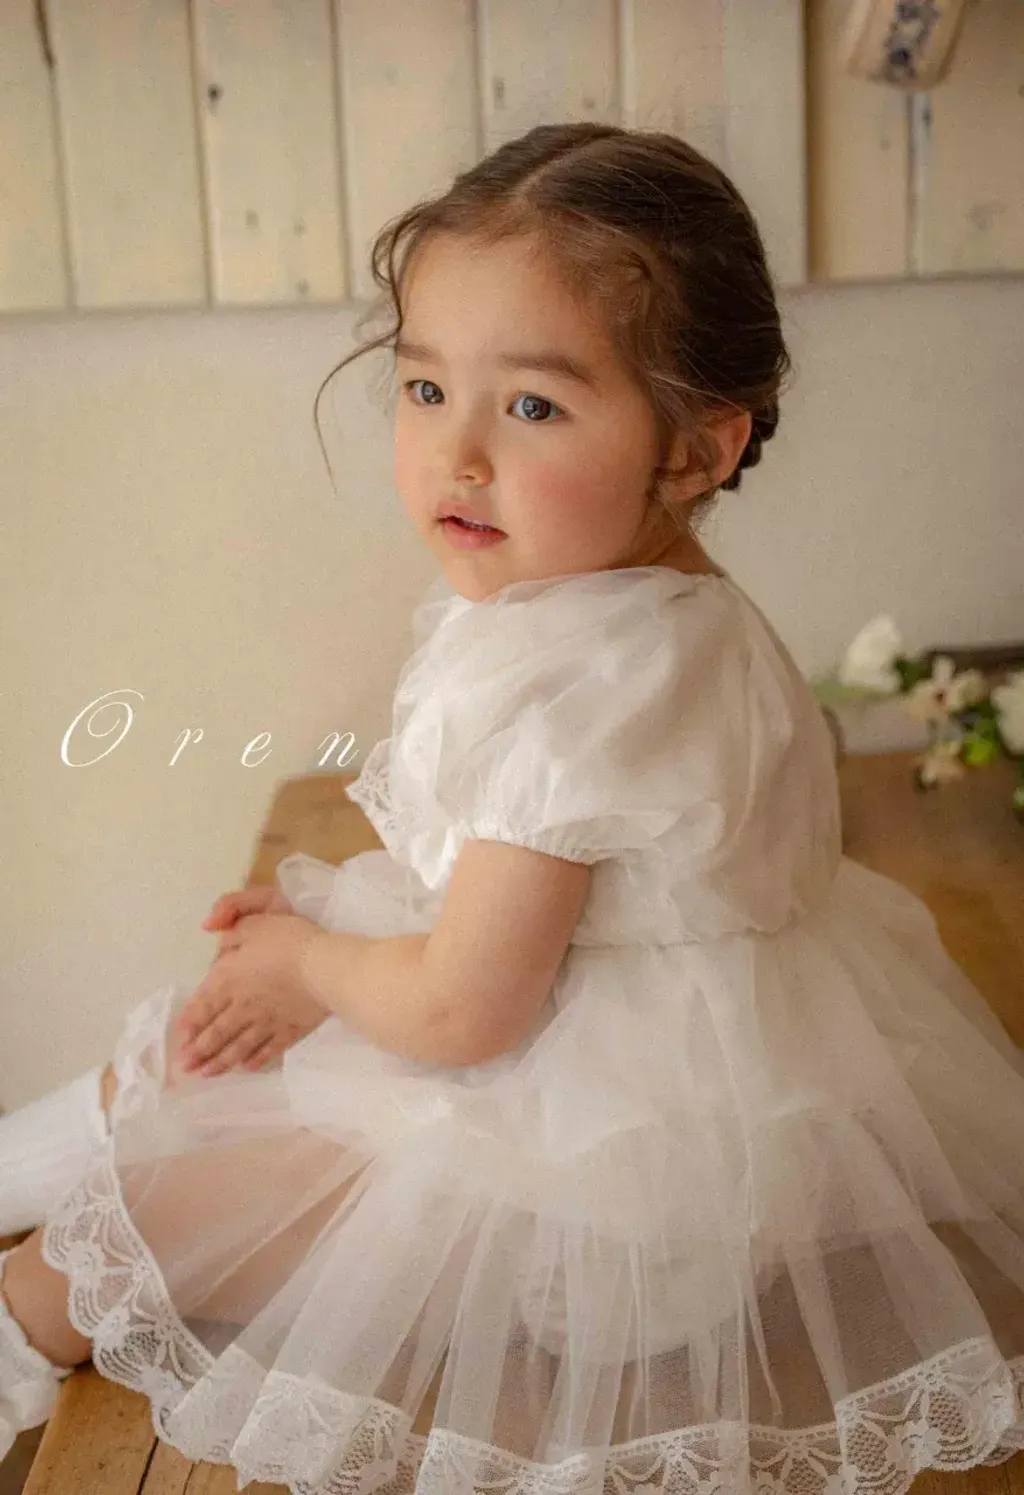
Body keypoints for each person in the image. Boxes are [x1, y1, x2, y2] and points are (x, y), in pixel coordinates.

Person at [2, 121, 1023, 1495]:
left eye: (533, 408)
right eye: (426, 389)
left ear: (695, 448)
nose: (458, 454)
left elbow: (463, 1012)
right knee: (194, 1060)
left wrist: (312, 964)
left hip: (590, 1197)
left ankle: (21, 1305)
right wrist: (313, 963)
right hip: (616, 1076)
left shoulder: (589, 687)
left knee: (129, 1231)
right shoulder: (627, 609)